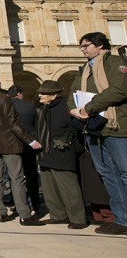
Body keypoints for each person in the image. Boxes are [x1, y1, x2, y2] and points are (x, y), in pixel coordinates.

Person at [68, 32, 127, 236]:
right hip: (94, 128)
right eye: (81, 46)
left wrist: (88, 108)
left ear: (99, 45)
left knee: (125, 172)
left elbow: (119, 90)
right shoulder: (85, 69)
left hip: (116, 125)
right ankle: (121, 219)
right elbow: (74, 92)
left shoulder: (116, 62)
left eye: (85, 45)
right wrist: (73, 109)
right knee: (107, 174)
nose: (83, 49)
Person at [0, 75, 44, 226]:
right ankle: (24, 214)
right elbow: (14, 123)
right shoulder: (4, 99)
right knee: (17, 178)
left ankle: (1, 212)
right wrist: (29, 140)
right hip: (9, 144)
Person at [34, 80, 87, 229]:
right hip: (45, 153)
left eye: (44, 93)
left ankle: (78, 219)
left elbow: (77, 130)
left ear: (54, 95)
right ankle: (58, 215)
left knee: (68, 187)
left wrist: (69, 145)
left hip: (62, 152)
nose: (40, 95)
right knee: (50, 188)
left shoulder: (66, 107)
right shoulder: (44, 108)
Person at [8, 84, 41, 213]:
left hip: (12, 145)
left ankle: (19, 204)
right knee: (31, 175)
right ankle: (35, 202)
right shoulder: (29, 106)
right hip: (29, 145)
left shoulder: (6, 107)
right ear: (20, 94)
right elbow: (36, 125)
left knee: (16, 176)